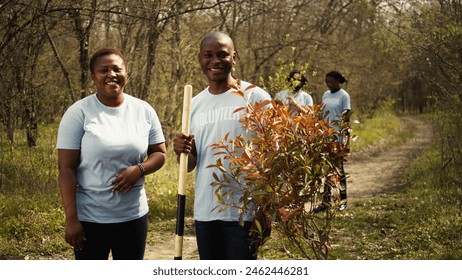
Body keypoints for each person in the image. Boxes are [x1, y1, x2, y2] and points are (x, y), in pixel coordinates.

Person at [56, 48, 167, 260]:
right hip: (90, 219)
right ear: (93, 76)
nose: (111, 74)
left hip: (133, 217)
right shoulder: (79, 112)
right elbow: (66, 169)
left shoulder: (144, 110)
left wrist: (139, 169)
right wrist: (71, 219)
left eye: (117, 69)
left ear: (126, 73)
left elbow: (160, 154)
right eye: (103, 70)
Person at [172, 32, 272, 260]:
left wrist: (265, 209)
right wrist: (182, 151)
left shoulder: (255, 96)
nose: (215, 61)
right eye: (208, 55)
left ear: (233, 58)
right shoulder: (194, 103)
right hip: (206, 211)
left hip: (243, 213)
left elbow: (271, 156)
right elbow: (189, 164)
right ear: (200, 58)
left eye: (222, 55)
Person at [316, 70, 351, 212]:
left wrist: (346, 141)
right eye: (326, 81)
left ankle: (343, 201)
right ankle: (325, 203)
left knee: (339, 171)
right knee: (326, 171)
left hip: (338, 139)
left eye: (330, 81)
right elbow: (321, 115)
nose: (328, 84)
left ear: (338, 81)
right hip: (325, 138)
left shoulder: (344, 96)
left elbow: (346, 119)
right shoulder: (325, 94)